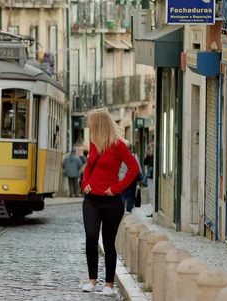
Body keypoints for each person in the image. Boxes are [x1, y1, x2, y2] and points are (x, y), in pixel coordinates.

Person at [80, 109, 139, 295]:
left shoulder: (118, 146)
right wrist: (85, 183)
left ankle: (109, 285)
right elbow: (89, 167)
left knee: (108, 242)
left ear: (98, 124)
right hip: (91, 200)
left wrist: (118, 188)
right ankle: (92, 281)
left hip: (111, 202)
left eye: (90, 122)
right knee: (90, 237)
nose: (88, 125)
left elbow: (134, 168)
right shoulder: (94, 144)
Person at [118, 143, 142, 213]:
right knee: (131, 196)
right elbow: (138, 168)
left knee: (122, 195)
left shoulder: (120, 156)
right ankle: (128, 211)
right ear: (131, 148)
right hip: (132, 178)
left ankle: (121, 212)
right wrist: (140, 178)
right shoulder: (134, 156)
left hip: (122, 178)